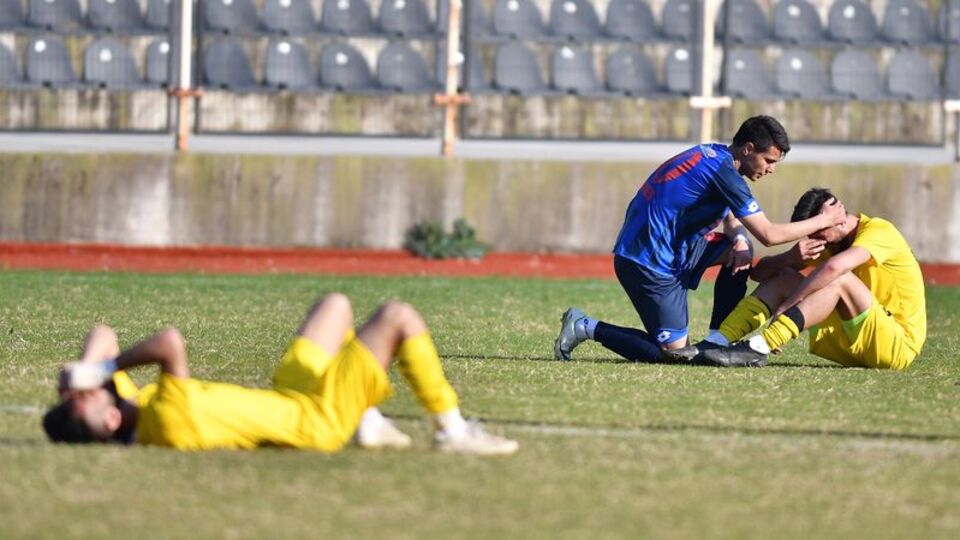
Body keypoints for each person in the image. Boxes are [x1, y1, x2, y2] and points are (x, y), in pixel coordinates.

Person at [43, 293, 519, 455]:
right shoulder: (164, 421)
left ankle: (367, 421)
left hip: (291, 396)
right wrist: (100, 369)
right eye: (83, 401)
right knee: (397, 316)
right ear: (108, 423)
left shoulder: (131, 406)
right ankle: (451, 430)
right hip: (316, 419)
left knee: (335, 307)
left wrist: (88, 370)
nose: (86, 393)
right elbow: (169, 342)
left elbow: (103, 333)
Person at [555, 116, 847, 366]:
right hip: (647, 261)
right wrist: (825, 220)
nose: (771, 169)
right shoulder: (724, 173)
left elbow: (733, 216)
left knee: (740, 254)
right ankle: (584, 326)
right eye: (769, 160)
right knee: (674, 355)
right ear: (748, 149)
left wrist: (740, 241)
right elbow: (769, 235)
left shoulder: (719, 159)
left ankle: (717, 341)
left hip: (677, 248)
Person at [670, 187, 926, 370]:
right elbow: (759, 273)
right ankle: (716, 342)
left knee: (838, 279)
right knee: (786, 277)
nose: (814, 238)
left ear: (838, 219)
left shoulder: (879, 230)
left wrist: (787, 306)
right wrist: (790, 258)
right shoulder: (827, 242)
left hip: (896, 346)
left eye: (818, 228)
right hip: (855, 345)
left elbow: (835, 269)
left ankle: (760, 347)